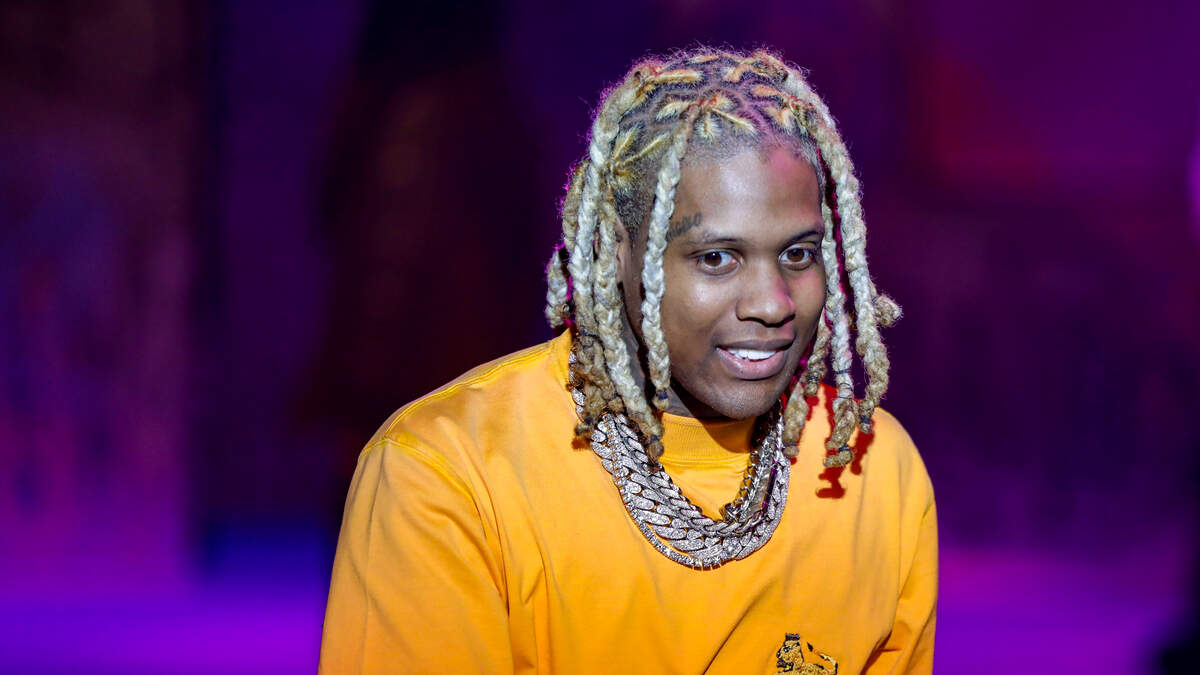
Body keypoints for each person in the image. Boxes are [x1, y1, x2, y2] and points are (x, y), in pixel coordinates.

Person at [319, 47, 936, 674]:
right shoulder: (452, 474)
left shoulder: (871, 471)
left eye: (798, 255)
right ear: (616, 250)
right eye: (717, 258)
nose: (773, 303)